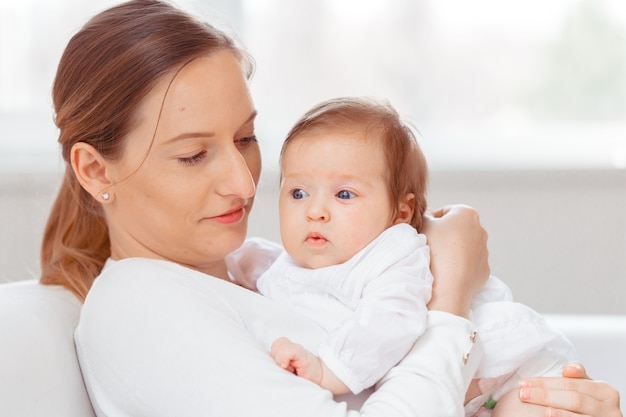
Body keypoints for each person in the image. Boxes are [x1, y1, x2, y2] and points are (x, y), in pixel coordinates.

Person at [38, 1, 621, 416]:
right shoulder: (143, 311)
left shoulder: (261, 269)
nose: (244, 183)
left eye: (246, 139)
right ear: (95, 170)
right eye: (193, 156)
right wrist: (452, 293)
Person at [255, 96, 577, 416]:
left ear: (401, 212)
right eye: (298, 193)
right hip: (458, 387)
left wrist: (331, 370)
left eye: (344, 194)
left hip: (512, 370)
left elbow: (390, 320)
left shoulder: (393, 253)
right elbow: (263, 268)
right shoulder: (294, 260)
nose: (315, 211)